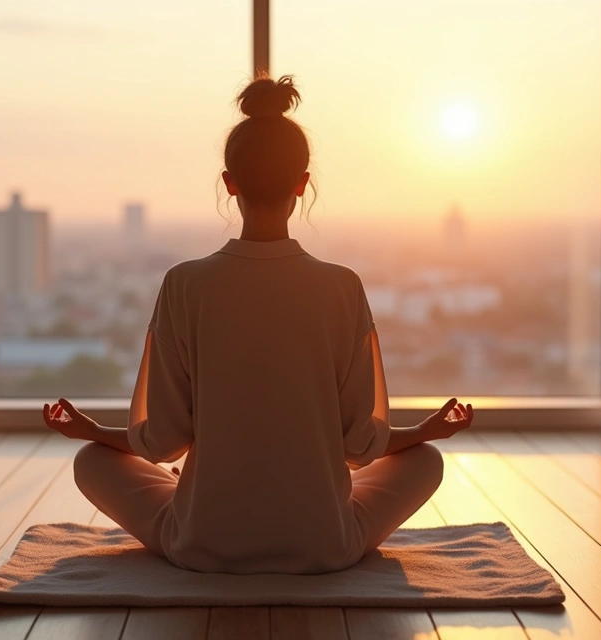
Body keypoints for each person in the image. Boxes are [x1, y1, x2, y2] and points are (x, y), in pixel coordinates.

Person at [43, 75, 474, 575]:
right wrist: (427, 431)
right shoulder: (342, 287)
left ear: (229, 183)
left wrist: (89, 430)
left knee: (89, 461)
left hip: (202, 543)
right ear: (303, 183)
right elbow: (360, 444)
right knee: (427, 461)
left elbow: (160, 441)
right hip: (324, 545)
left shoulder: (185, 284)